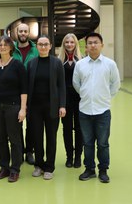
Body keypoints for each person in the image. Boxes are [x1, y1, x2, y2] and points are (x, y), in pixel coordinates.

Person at [73, 32, 120, 183]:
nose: (93, 45)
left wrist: (105, 98)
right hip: (85, 110)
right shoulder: (80, 65)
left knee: (103, 143)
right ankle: (89, 169)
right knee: (87, 142)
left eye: (96, 42)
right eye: (90, 43)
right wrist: (87, 95)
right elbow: (76, 84)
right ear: (86, 47)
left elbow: (115, 84)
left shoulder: (110, 64)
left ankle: (103, 170)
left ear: (102, 45)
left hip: (103, 111)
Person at [0, 35, 27, 183]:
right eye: (0, 45)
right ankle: (4, 167)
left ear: (10, 47)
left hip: (13, 107)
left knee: (15, 139)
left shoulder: (17, 65)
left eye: (5, 44)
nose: (2, 47)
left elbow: (24, 89)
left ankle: (15, 169)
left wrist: (23, 109)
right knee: (0, 139)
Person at [27, 36, 66, 180]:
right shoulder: (31, 64)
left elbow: (61, 86)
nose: (43, 47)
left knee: (51, 137)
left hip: (52, 107)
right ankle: (39, 165)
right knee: (37, 137)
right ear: (36, 46)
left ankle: (49, 167)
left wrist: (62, 105)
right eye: (40, 44)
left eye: (45, 44)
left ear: (50, 46)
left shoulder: (56, 63)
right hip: (35, 107)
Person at [12, 22, 38, 165]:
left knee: (32, 124)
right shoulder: (11, 49)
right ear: (17, 33)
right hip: (15, 92)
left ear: (29, 33)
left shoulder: (35, 49)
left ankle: (29, 151)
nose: (22, 34)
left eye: (25, 31)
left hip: (33, 91)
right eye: (20, 31)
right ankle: (19, 151)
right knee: (17, 123)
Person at [58, 33, 83, 168]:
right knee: (66, 129)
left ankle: (78, 156)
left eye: (72, 42)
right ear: (63, 44)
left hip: (79, 99)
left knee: (79, 129)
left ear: (75, 44)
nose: (69, 44)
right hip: (65, 99)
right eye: (66, 42)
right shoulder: (59, 60)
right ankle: (69, 156)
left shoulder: (82, 60)